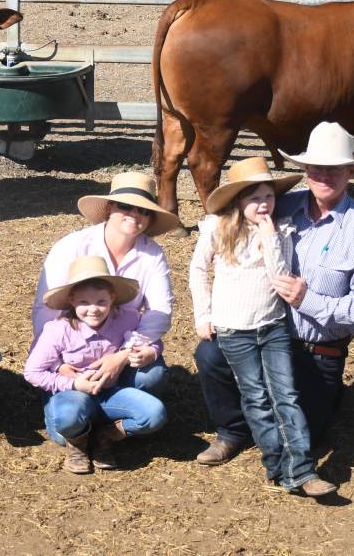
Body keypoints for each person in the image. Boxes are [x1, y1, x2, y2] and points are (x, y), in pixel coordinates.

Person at [194, 121, 354, 466]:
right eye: (316, 168)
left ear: (349, 173)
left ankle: (322, 396)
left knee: (307, 437)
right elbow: (232, 216)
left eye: (334, 170)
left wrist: (307, 299)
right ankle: (232, 429)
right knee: (210, 354)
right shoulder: (281, 206)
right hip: (263, 332)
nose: (324, 176)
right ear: (306, 171)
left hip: (318, 350)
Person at [189, 156, 336, 496]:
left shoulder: (281, 229)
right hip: (232, 328)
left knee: (285, 394)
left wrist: (269, 235)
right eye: (254, 198)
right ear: (238, 200)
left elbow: (280, 275)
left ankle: (302, 470)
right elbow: (197, 270)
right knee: (255, 396)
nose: (263, 204)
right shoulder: (217, 227)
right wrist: (203, 314)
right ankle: (277, 466)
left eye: (268, 196)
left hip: (271, 327)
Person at [30, 171, 181, 397]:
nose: (134, 214)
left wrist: (122, 354)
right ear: (110, 207)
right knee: (70, 412)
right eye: (125, 206)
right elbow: (47, 306)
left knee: (151, 377)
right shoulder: (72, 245)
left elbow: (160, 311)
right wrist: (57, 362)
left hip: (120, 340)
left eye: (144, 210)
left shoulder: (152, 253)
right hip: (72, 347)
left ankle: (115, 415)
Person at [25, 256, 168, 474]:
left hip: (110, 393)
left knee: (154, 413)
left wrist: (150, 351)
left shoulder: (128, 318)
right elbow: (32, 372)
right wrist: (73, 385)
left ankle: (106, 435)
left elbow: (151, 341)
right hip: (73, 392)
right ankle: (77, 442)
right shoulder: (57, 330)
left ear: (112, 297)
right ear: (72, 300)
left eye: (101, 301)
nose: (93, 309)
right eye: (84, 302)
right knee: (65, 424)